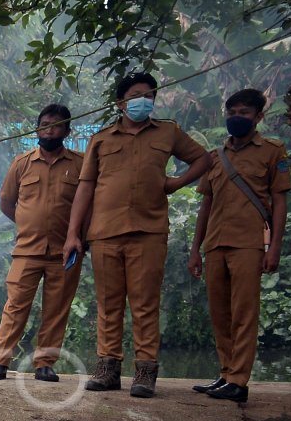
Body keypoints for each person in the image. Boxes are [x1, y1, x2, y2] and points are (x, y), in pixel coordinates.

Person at [63, 72, 211, 398]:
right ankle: (107, 370)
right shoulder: (101, 139)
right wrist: (74, 233)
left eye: (149, 95)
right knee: (108, 304)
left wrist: (174, 183)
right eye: (135, 94)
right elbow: (85, 187)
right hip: (104, 233)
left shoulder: (168, 132)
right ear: (120, 102)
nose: (143, 100)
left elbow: (203, 158)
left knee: (145, 304)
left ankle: (145, 373)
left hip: (149, 231)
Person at [186, 89, 291, 403]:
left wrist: (274, 247)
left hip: (249, 244)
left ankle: (239, 380)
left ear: (258, 117)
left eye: (244, 113)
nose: (236, 118)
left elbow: (280, 202)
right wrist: (195, 249)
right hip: (215, 243)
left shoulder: (273, 151)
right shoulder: (216, 157)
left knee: (244, 312)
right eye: (232, 112)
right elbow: (205, 204)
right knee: (220, 313)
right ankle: (226, 373)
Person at [0, 104, 85, 382]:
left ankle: (45, 364)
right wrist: (28, 223)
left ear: (66, 130)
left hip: (64, 252)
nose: (48, 129)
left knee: (56, 308)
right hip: (27, 250)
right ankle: (0, 362)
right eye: (43, 124)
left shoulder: (80, 163)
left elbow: (89, 203)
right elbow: (6, 201)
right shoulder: (22, 163)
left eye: (55, 125)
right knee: (16, 305)